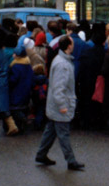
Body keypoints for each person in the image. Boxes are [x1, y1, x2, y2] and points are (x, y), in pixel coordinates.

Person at [35, 36, 84, 170]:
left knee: (51, 131)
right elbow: (59, 87)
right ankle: (71, 161)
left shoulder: (60, 61)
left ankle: (41, 154)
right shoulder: (63, 64)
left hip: (55, 104)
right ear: (69, 46)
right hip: (60, 104)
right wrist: (62, 105)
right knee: (63, 134)